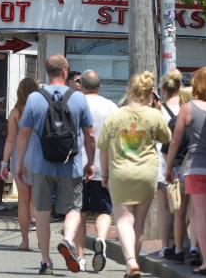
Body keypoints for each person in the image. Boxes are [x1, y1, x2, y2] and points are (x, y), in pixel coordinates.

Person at [16, 55, 95, 275]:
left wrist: (20, 163)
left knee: (41, 211)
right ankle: (68, 239)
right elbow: (90, 135)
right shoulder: (79, 98)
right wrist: (90, 162)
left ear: (47, 71)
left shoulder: (34, 98)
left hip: (41, 165)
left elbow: (23, 134)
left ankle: (45, 261)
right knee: (73, 208)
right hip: (72, 164)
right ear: (65, 70)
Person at [95, 71, 168, 278]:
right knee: (139, 222)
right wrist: (159, 112)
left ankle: (130, 262)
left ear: (130, 90)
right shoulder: (154, 115)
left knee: (124, 220)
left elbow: (103, 148)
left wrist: (105, 174)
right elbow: (166, 136)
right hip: (147, 172)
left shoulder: (116, 115)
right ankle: (132, 264)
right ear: (149, 93)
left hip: (120, 172)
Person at [72, 70, 118, 273]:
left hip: (77, 167)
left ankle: (80, 257)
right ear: (100, 86)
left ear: (81, 85)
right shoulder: (111, 107)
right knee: (104, 211)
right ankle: (100, 237)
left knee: (79, 214)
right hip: (103, 167)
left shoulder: (74, 105)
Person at [166, 66, 206, 274]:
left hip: (196, 167)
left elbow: (175, 143)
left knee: (201, 215)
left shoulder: (188, 108)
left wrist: (168, 167)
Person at [2, 77, 41, 252]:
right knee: (40, 202)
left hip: (20, 158)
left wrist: (4, 163)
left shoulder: (16, 112)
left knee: (23, 201)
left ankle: (25, 241)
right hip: (40, 159)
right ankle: (42, 240)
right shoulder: (43, 109)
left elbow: (10, 140)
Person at [156, 70, 186, 261]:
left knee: (164, 206)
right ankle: (182, 244)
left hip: (162, 161)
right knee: (184, 207)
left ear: (164, 88)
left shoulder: (159, 109)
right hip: (184, 160)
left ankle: (165, 246)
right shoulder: (188, 107)